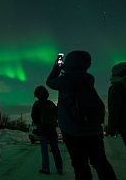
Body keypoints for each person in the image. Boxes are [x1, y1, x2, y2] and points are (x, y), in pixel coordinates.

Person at [46, 50, 117, 180]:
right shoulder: (89, 78)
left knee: (80, 165)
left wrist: (58, 64)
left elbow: (50, 81)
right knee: (100, 162)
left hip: (72, 131)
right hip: (94, 129)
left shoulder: (65, 80)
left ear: (69, 64)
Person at [31, 85, 63, 175]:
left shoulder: (37, 104)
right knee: (55, 149)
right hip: (51, 129)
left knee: (44, 150)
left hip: (43, 129)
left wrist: (38, 125)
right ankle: (59, 168)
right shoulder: (50, 103)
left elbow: (34, 116)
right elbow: (57, 114)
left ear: (37, 94)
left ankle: (46, 168)